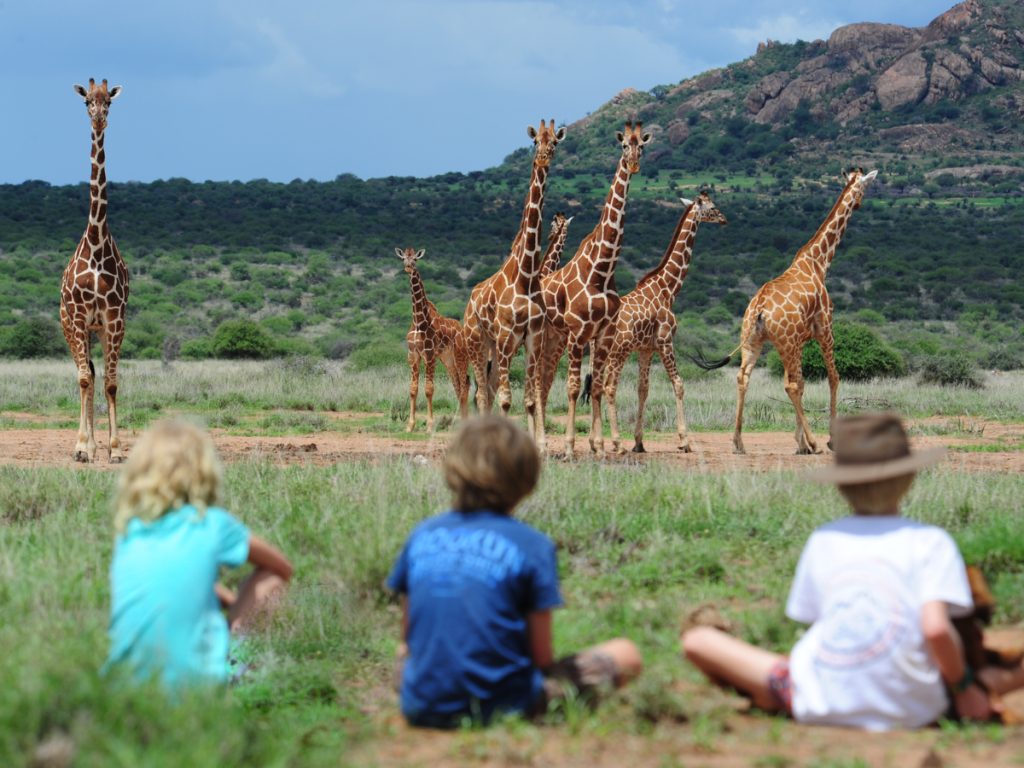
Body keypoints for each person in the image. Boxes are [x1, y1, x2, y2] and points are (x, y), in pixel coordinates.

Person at [682, 413, 994, 730]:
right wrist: (962, 687)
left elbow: (816, 620)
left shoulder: (824, 539)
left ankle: (771, 695)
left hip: (816, 700)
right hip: (915, 706)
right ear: (909, 477)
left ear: (841, 484)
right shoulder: (931, 541)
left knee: (699, 641)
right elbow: (936, 630)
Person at [387, 415, 642, 727]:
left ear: (453, 469)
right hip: (504, 705)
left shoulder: (422, 535)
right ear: (527, 479)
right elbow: (541, 658)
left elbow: (407, 641)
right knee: (626, 653)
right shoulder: (533, 546)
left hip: (420, 703)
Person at [105, 419, 293, 687]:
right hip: (198, 691)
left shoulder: (128, 531)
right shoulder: (212, 523)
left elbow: (166, 575)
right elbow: (282, 569)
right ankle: (237, 667)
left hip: (120, 690)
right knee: (271, 579)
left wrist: (220, 595)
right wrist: (237, 600)